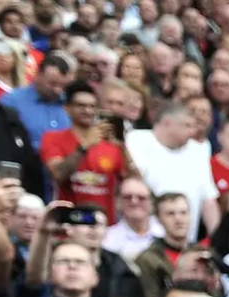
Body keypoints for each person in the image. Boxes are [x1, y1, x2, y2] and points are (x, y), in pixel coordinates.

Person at [123, 98, 217, 241]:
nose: (193, 131)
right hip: (142, 239)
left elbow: (209, 200)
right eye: (187, 125)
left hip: (186, 241)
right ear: (167, 123)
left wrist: (216, 239)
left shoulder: (199, 149)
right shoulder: (136, 140)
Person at [37, 79, 125, 220]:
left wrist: (123, 148)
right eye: (81, 106)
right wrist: (84, 145)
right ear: (67, 108)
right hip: (68, 221)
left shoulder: (110, 144)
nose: (88, 111)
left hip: (104, 225)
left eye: (92, 106)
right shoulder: (52, 138)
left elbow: (131, 181)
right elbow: (58, 174)